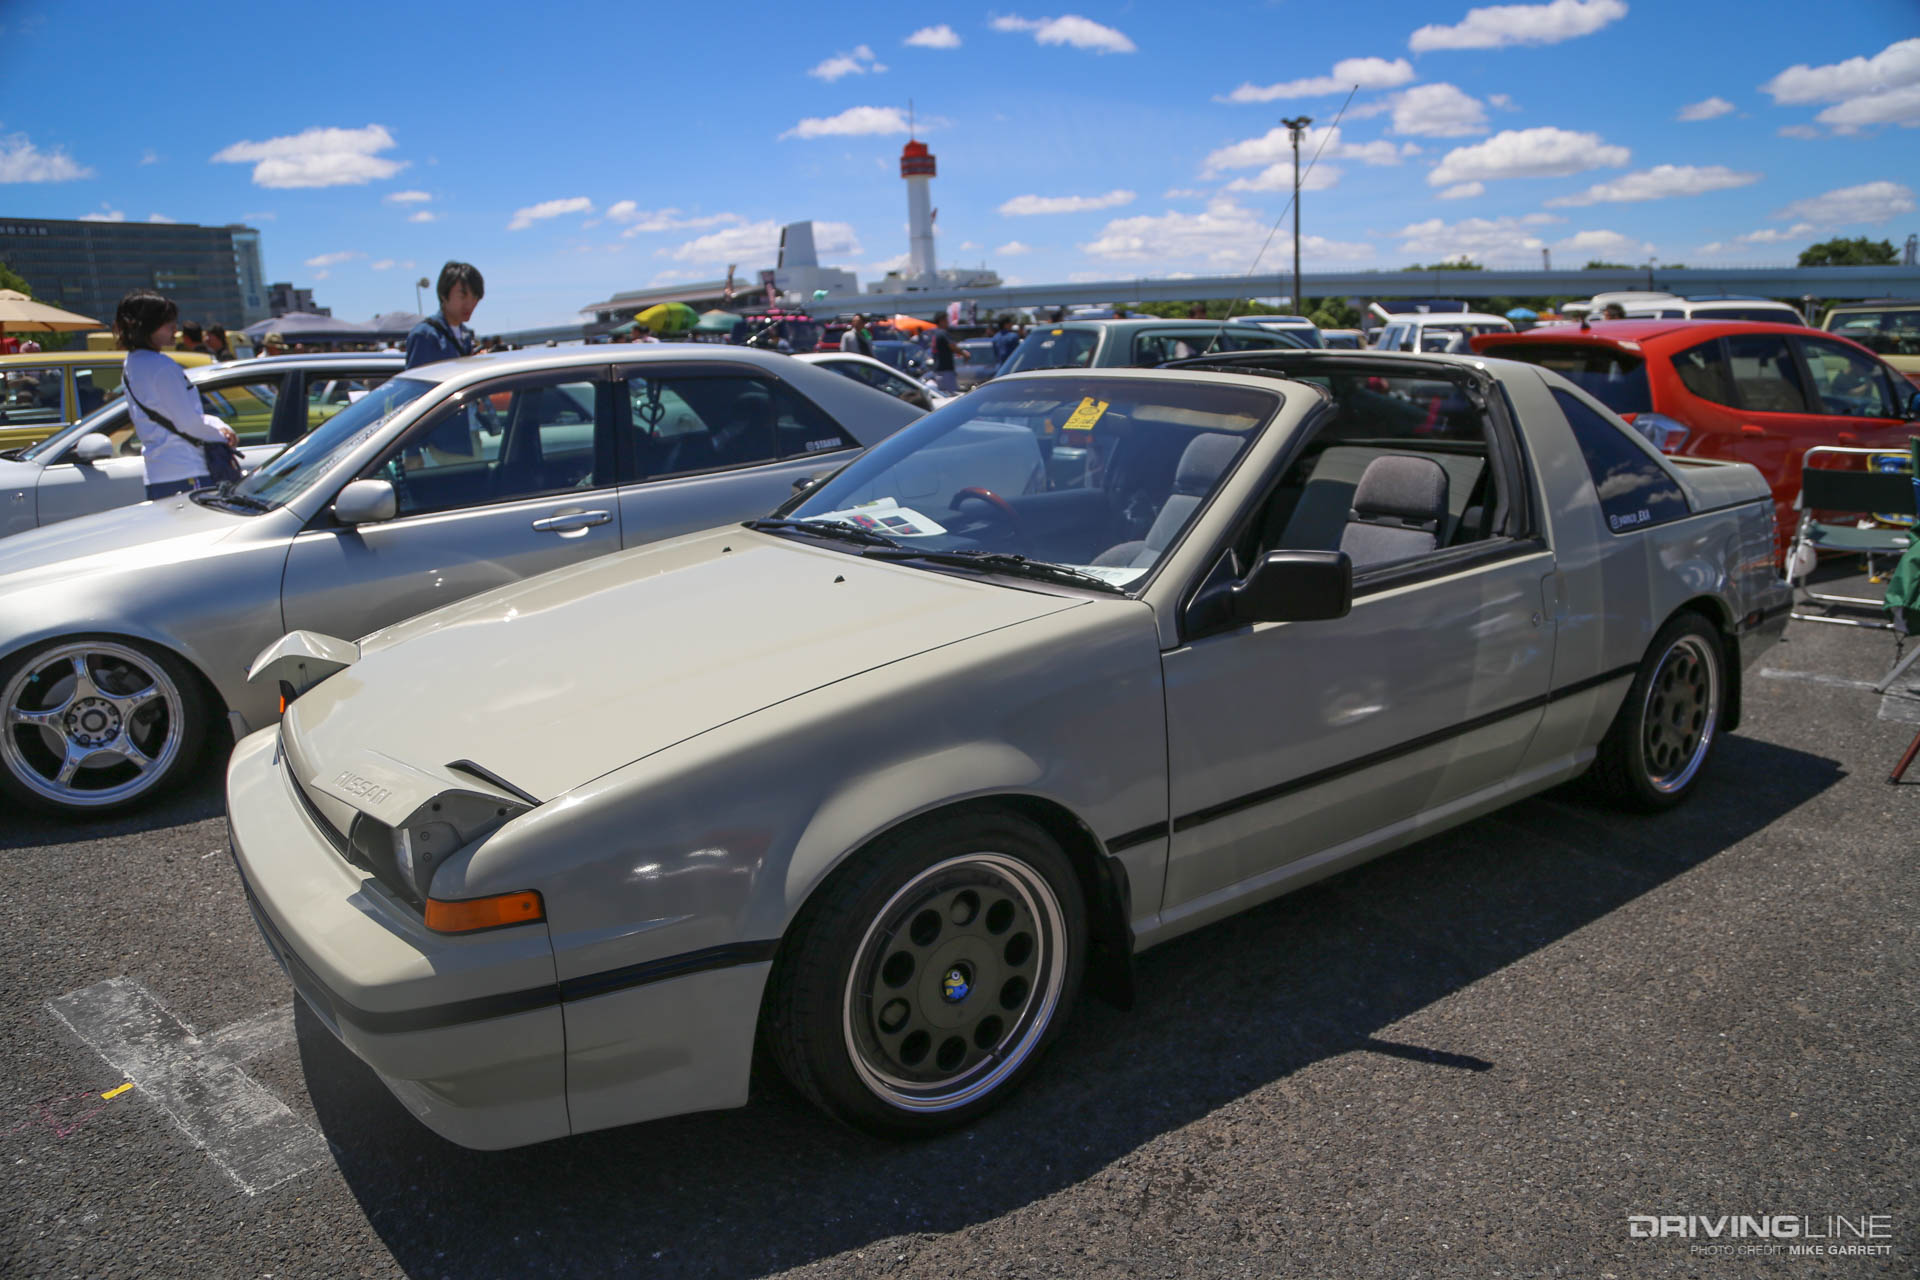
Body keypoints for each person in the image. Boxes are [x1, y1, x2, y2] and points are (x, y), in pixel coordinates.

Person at [115, 289, 237, 501]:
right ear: (147, 325)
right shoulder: (161, 366)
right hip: (188, 470)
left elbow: (172, 416)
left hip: (159, 472)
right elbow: (188, 422)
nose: (175, 328)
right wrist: (221, 435)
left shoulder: (132, 363)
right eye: (167, 322)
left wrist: (217, 426)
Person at [405, 260, 484, 369]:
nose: (470, 304)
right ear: (443, 294)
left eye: (475, 297)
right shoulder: (426, 336)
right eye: (462, 296)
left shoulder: (465, 335)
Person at [927, 313, 959, 395]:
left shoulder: (935, 333)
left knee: (943, 394)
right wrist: (964, 353)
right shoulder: (942, 333)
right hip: (945, 369)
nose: (948, 322)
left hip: (939, 369)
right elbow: (952, 346)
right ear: (941, 321)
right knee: (950, 396)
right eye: (946, 320)